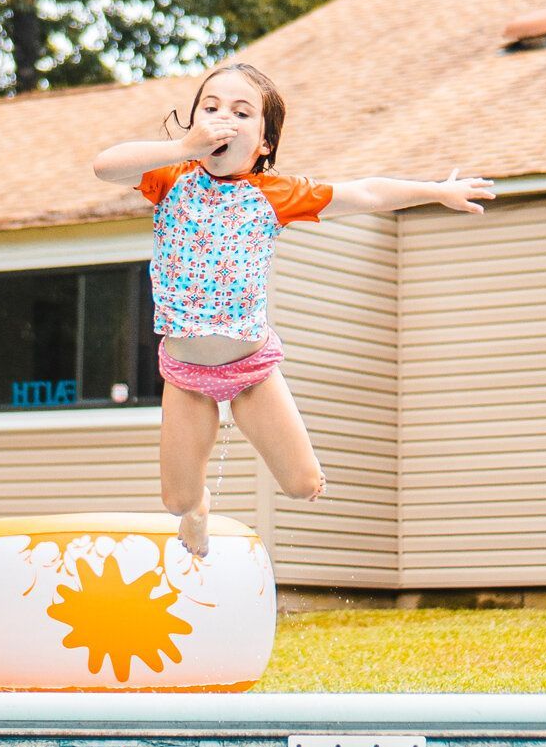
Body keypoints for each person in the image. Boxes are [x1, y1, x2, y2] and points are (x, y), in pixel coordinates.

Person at [93, 63, 494, 556]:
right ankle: (199, 511)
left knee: (303, 486)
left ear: (264, 143)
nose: (223, 118)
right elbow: (105, 166)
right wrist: (183, 148)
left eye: (242, 113)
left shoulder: (275, 195)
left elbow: (366, 192)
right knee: (178, 501)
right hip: (185, 374)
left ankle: (281, 466)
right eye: (211, 107)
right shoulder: (168, 178)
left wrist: (438, 192)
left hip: (251, 370)